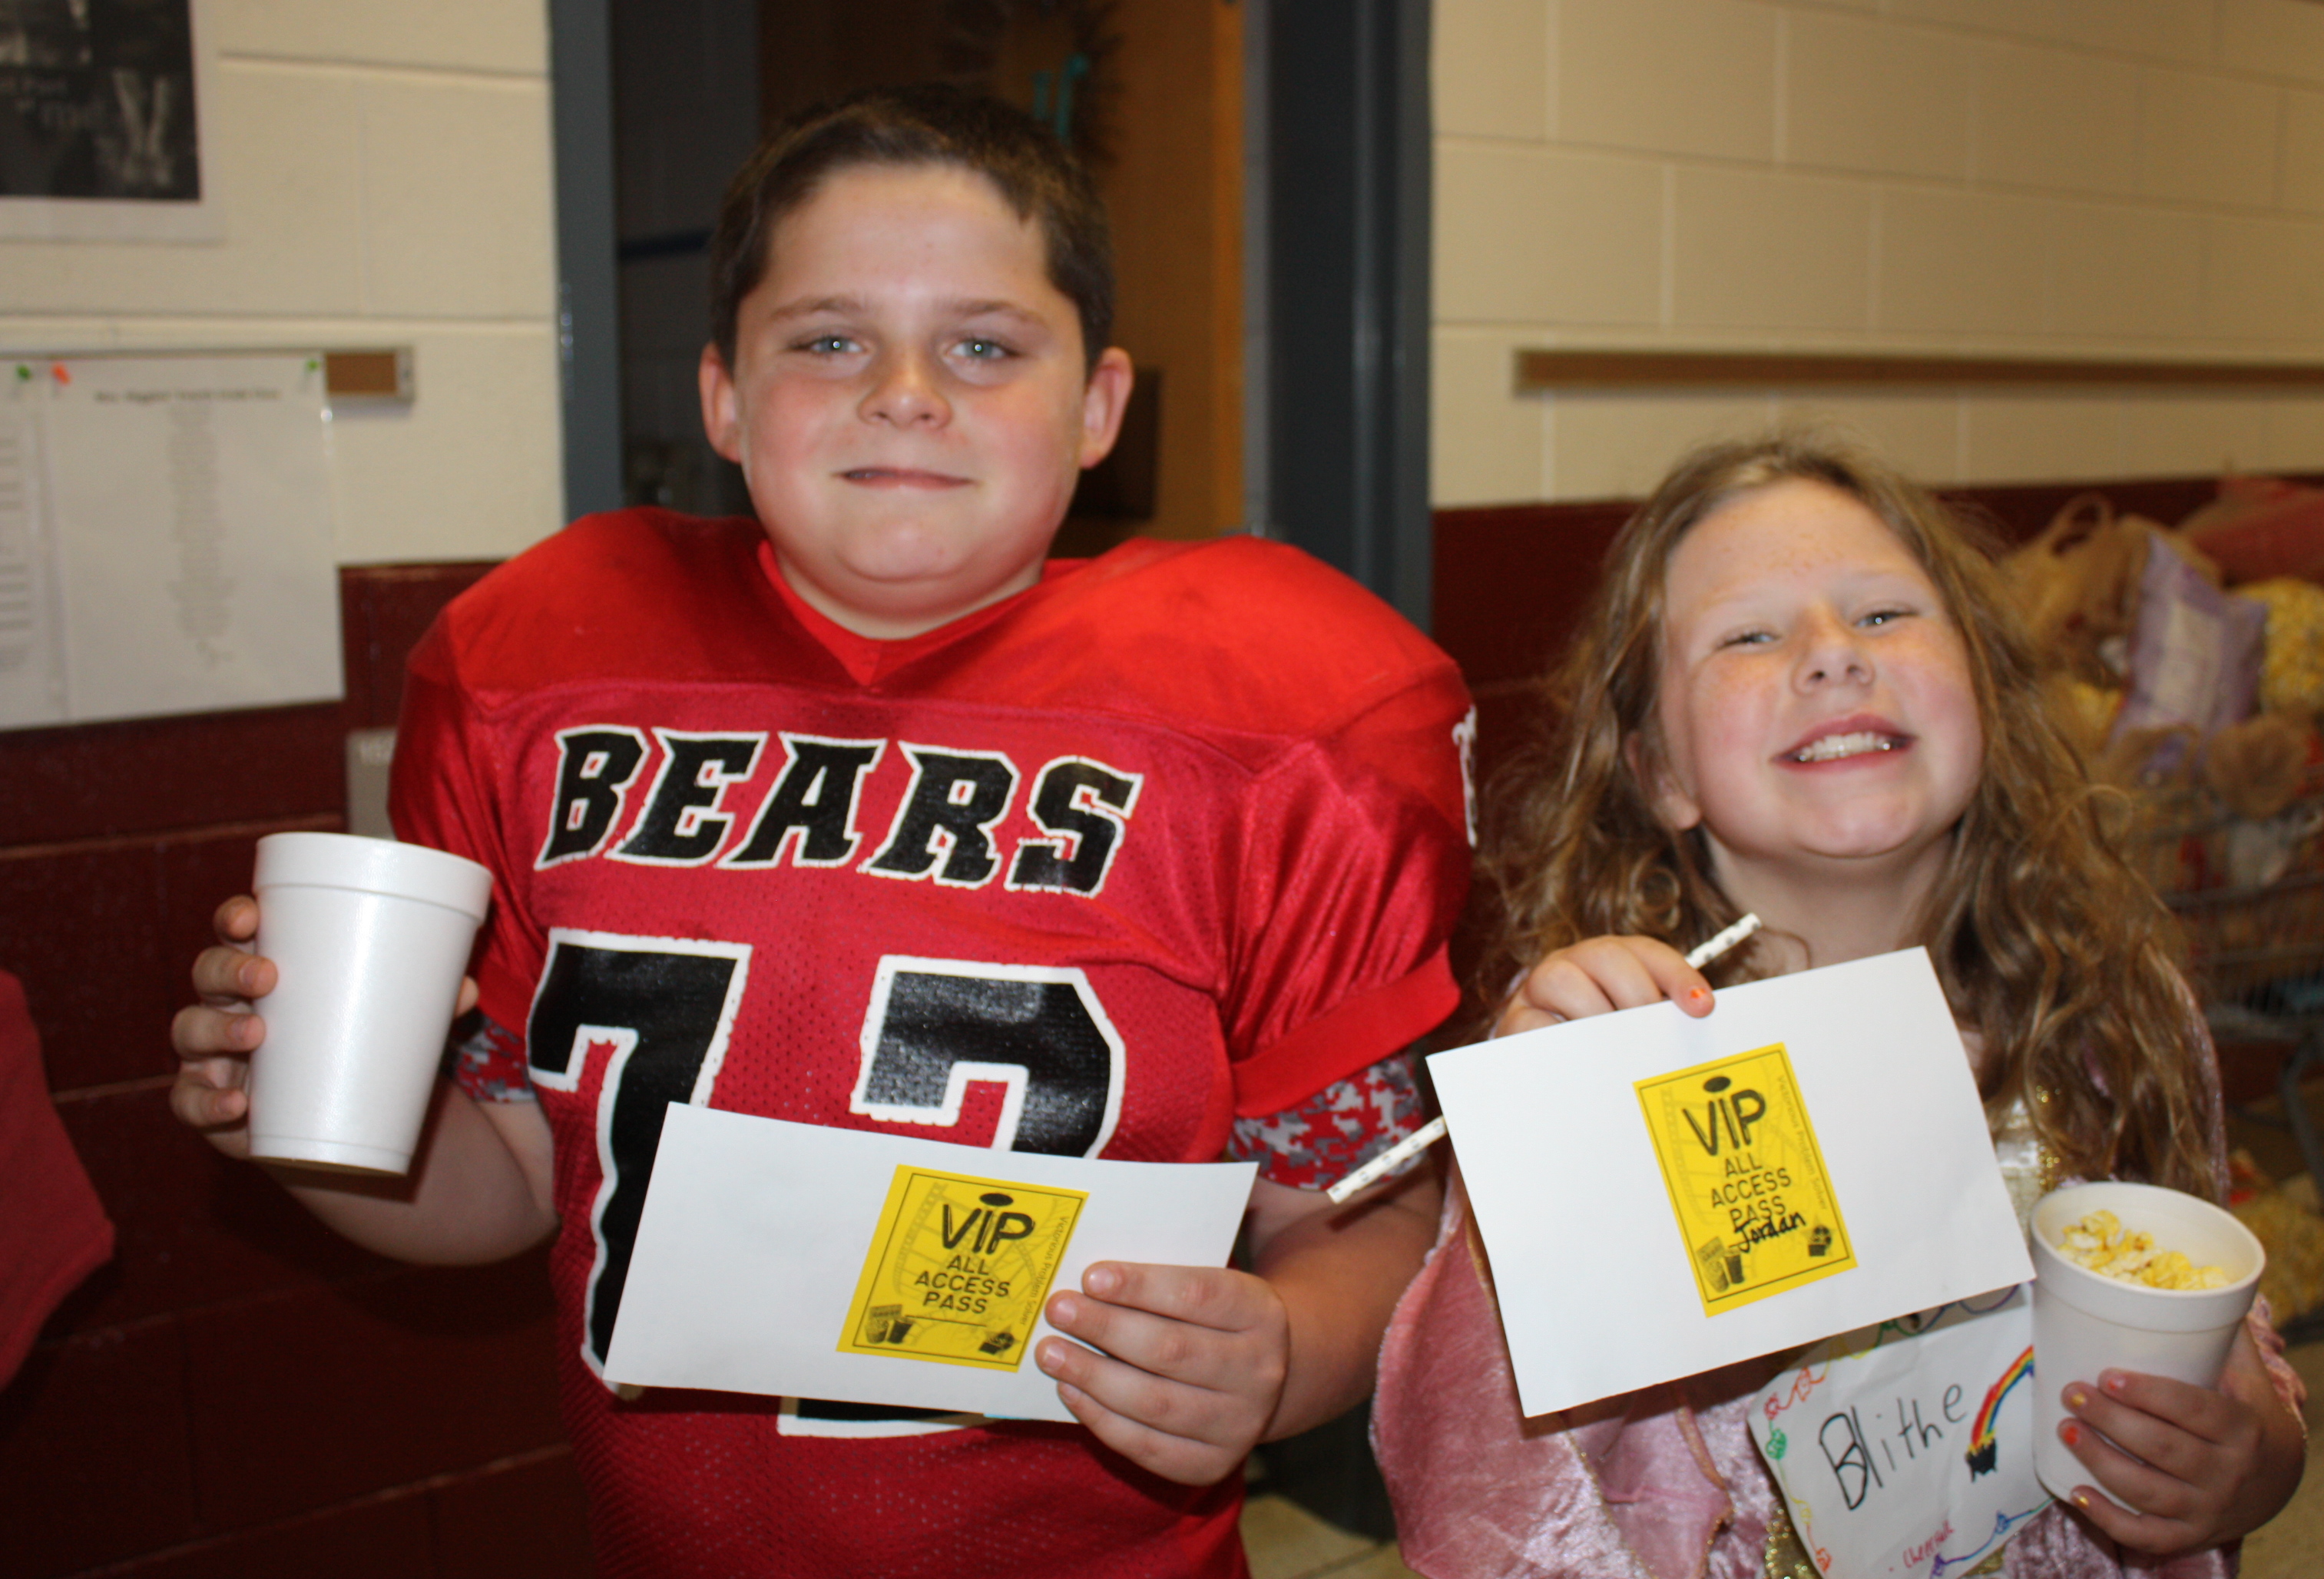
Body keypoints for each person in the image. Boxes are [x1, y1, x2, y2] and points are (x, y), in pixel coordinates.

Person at [169, 85, 1470, 1578]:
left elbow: (1364, 1215)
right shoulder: (538, 665)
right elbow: (520, 1174)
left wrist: (1282, 1352)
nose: (905, 391)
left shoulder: (1283, 716)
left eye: (984, 346)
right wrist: (310, 1127)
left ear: (1099, 406)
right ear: (724, 397)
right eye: (830, 340)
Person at [1370, 435, 2305, 1579]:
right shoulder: (1607, 1065)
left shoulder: (2105, 1012)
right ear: (1659, 771)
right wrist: (1543, 1188)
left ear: (1988, 693)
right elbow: (1471, 1493)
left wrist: (2258, 1459)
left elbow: (2218, 1333)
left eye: (1883, 614)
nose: (1831, 655)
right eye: (1749, 635)